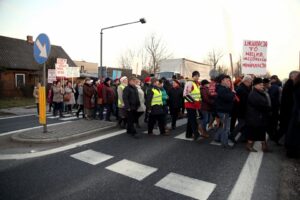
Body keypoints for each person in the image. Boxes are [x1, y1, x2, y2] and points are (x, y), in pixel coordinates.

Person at [245, 77, 272, 152]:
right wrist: (269, 109)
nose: (262, 86)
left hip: (258, 117)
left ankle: (264, 146)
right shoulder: (254, 94)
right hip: (256, 117)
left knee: (260, 132)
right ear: (255, 85)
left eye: (262, 84)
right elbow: (262, 105)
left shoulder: (258, 92)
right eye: (260, 85)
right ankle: (249, 146)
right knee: (254, 132)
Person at [229, 75, 253, 143]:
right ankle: (232, 136)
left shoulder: (245, 87)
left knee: (243, 124)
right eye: (250, 82)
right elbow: (241, 101)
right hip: (241, 109)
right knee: (241, 124)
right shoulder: (241, 89)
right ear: (246, 81)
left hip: (242, 109)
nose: (251, 83)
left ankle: (243, 137)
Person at [214, 74, 235, 148]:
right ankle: (224, 143)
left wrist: (230, 90)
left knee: (223, 126)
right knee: (226, 128)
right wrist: (233, 92)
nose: (229, 81)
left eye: (229, 80)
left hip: (223, 110)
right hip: (224, 110)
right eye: (227, 80)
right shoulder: (222, 89)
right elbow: (228, 98)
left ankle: (217, 137)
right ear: (222, 81)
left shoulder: (223, 88)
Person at [278, 71, 299, 143]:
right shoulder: (291, 85)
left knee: (286, 128)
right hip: (288, 111)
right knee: (287, 128)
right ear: (292, 76)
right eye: (297, 76)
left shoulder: (289, 84)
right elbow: (290, 100)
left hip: (287, 110)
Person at [183, 71, 201, 140]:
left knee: (190, 120)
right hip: (189, 104)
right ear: (192, 76)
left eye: (198, 76)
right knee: (193, 120)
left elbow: (197, 95)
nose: (197, 77)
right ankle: (196, 134)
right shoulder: (190, 83)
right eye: (196, 76)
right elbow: (185, 94)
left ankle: (188, 134)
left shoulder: (197, 84)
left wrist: (198, 102)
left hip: (194, 104)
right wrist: (194, 102)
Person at [285, 72, 300, 158]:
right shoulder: (295, 86)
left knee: (293, 133)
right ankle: (293, 152)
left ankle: (291, 151)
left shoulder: (295, 85)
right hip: (297, 113)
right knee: (295, 135)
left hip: (295, 113)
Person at [267, 75, 282, 141]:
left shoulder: (274, 87)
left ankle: (273, 135)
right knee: (274, 122)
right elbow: (273, 97)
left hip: (274, 107)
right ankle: (273, 134)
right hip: (275, 106)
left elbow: (271, 97)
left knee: (273, 122)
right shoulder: (277, 86)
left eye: (271, 79)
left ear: (274, 79)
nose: (270, 80)